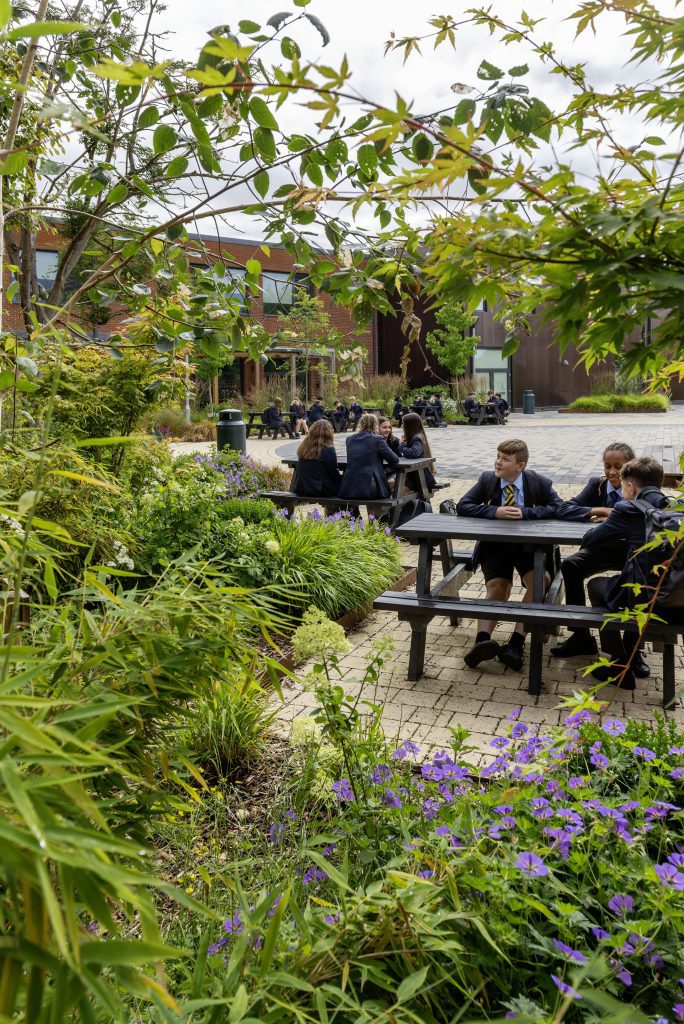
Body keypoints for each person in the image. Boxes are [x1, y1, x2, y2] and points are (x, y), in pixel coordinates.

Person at [456, 438, 563, 671]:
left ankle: (516, 643)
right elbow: (463, 505)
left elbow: (559, 507)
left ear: (520, 465)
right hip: (496, 545)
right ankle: (482, 643)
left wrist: (525, 513)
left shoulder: (539, 482)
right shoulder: (487, 479)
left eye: (505, 459)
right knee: (498, 588)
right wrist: (495, 511)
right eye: (497, 456)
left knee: (540, 581)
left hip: (528, 546)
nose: (498, 462)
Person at [551, 443, 645, 666]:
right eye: (607, 466)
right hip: (601, 549)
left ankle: (633, 649)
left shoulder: (638, 487)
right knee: (571, 566)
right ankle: (581, 636)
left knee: (638, 583)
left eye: (618, 467)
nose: (612, 472)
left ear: (629, 467)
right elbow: (564, 509)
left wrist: (616, 520)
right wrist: (602, 510)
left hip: (631, 554)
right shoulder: (598, 485)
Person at [583, 456, 671, 690]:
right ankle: (631, 656)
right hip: (672, 598)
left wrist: (609, 520)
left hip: (644, 598)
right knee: (631, 590)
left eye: (623, 486)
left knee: (596, 587)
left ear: (631, 487)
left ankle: (619, 664)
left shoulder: (626, 508)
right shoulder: (671, 506)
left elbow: (590, 540)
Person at [338, 413, 399, 504]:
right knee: (396, 478)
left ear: (360, 424)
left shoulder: (349, 439)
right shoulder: (378, 439)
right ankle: (385, 516)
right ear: (376, 425)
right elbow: (394, 459)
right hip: (371, 487)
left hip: (350, 487)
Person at [293, 419, 341, 500]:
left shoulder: (303, 447)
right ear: (328, 433)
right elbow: (334, 474)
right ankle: (351, 512)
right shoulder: (328, 449)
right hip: (320, 490)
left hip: (302, 489)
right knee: (347, 489)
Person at [398, 412, 436, 494]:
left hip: (419, 478)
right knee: (391, 487)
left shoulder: (417, 438)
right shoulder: (416, 436)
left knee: (395, 491)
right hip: (414, 476)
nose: (401, 426)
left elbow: (414, 453)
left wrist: (401, 445)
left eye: (403, 423)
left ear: (410, 425)